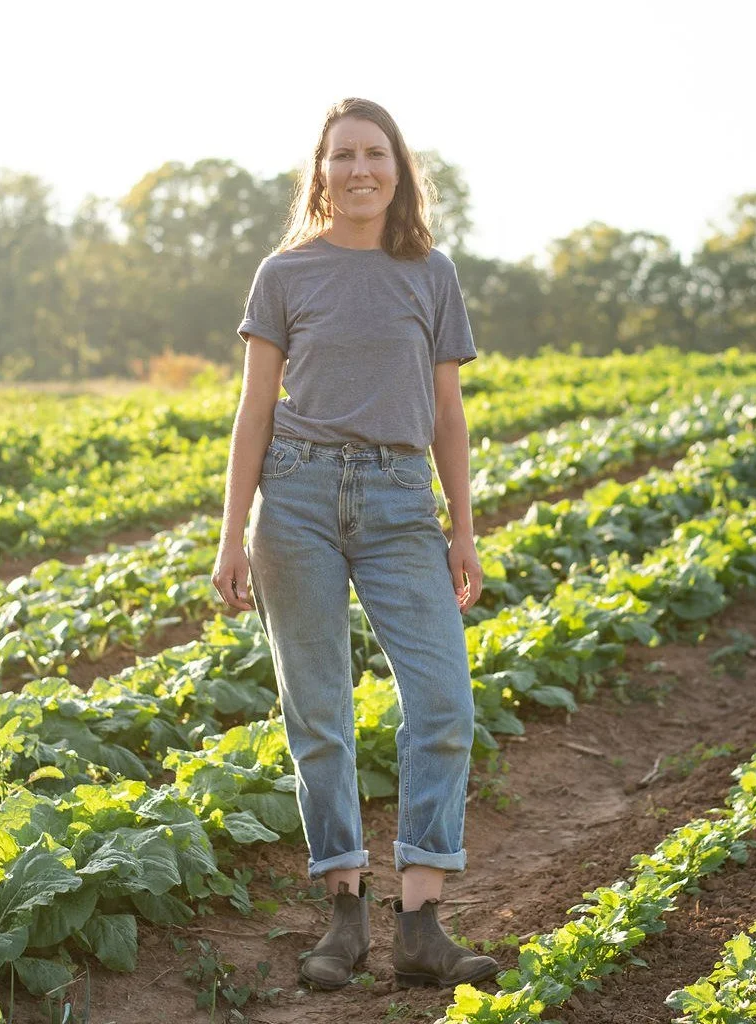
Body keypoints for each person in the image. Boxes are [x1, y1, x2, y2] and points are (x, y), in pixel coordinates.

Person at [211, 97, 498, 992]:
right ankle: (344, 915)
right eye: (343, 155)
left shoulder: (431, 272)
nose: (360, 168)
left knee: (444, 702)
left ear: (400, 169)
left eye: (376, 153)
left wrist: (465, 529)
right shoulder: (284, 273)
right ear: (321, 170)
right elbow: (254, 409)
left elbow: (448, 412)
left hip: (401, 501)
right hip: (293, 497)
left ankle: (420, 923)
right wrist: (231, 535)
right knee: (318, 711)